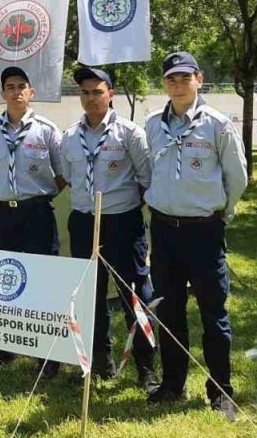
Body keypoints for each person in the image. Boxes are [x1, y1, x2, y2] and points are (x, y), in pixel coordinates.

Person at [143, 51, 248, 422]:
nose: (178, 84)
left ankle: (221, 392)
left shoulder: (218, 125)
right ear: (164, 83)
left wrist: (222, 213)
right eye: (171, 78)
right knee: (169, 312)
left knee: (213, 312)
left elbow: (238, 177)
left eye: (185, 77)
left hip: (203, 231)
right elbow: (147, 172)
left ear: (199, 80)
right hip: (164, 230)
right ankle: (173, 384)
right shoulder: (153, 125)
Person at [59, 66, 157, 389]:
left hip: (122, 223)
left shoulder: (130, 133)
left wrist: (121, 208)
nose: (90, 98)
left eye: (97, 92)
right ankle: (101, 363)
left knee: (134, 295)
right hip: (84, 223)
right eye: (85, 93)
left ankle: (146, 367)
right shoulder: (70, 137)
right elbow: (69, 178)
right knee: (91, 296)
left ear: (111, 94)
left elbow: (146, 180)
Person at [0, 66, 67, 376]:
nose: (16, 91)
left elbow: (60, 175)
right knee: (3, 283)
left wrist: (35, 198)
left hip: (37, 213)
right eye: (10, 86)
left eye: (21, 86)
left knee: (43, 283)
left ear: (31, 92)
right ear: (2, 93)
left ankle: (47, 356)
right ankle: (3, 351)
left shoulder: (48, 129)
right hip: (2, 213)